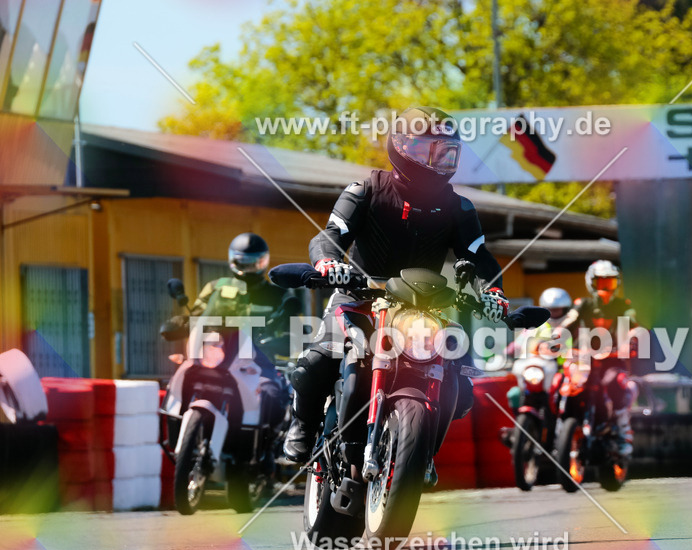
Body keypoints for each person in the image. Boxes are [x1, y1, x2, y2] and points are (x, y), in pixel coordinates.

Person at [281, 106, 509, 471]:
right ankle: (303, 425)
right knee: (316, 362)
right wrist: (328, 263)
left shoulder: (458, 206)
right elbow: (331, 236)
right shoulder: (366, 190)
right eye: (425, 150)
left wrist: (493, 293)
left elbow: (479, 257)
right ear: (400, 146)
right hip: (359, 293)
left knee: (461, 384)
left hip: (425, 306)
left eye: (445, 152)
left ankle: (419, 452)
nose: (436, 161)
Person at [188, 232, 296, 428]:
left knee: (272, 396)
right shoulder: (215, 288)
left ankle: (265, 446)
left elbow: (294, 330)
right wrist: (181, 324)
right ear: (232, 260)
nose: (248, 268)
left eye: (254, 262)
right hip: (217, 355)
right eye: (242, 262)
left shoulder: (278, 294)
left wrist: (283, 342)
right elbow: (195, 317)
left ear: (264, 262)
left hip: (259, 360)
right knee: (181, 377)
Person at [552, 260, 636, 455]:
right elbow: (570, 321)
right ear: (591, 283)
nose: (606, 288)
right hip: (583, 359)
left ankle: (624, 433)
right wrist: (557, 337)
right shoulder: (583, 304)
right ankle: (554, 430)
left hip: (612, 360)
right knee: (559, 384)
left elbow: (634, 325)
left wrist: (632, 339)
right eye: (601, 283)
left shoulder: (623, 305)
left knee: (615, 382)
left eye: (611, 283)